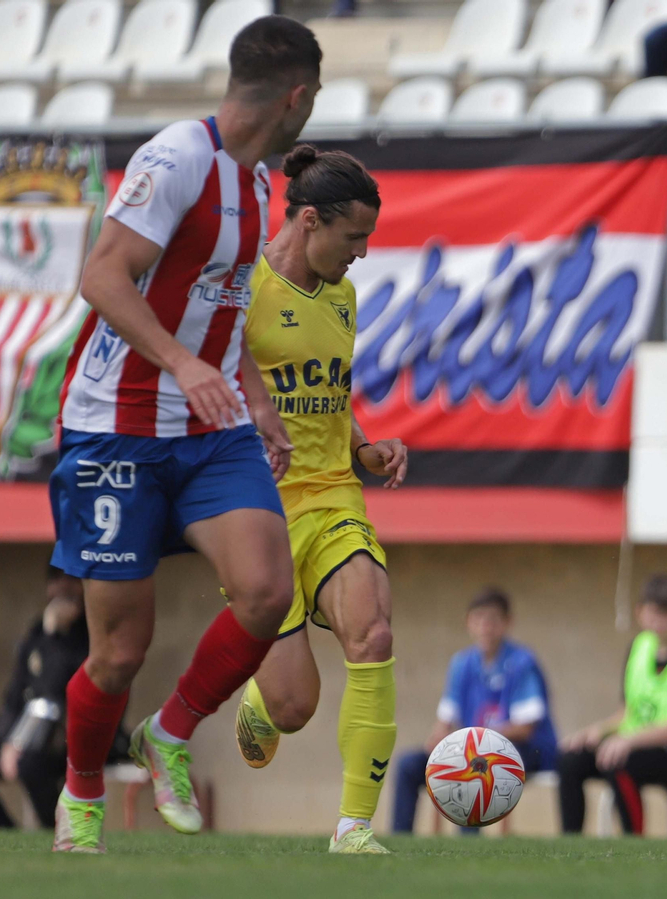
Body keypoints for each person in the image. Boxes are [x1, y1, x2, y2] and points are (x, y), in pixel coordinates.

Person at [46, 16, 321, 854]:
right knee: (118, 652)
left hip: (211, 429)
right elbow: (101, 275)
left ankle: (166, 734)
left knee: (268, 589)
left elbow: (218, 312)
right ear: (297, 97)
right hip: (116, 433)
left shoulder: (259, 181)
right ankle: (82, 793)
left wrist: (251, 394)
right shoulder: (178, 158)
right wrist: (179, 364)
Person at [228, 144, 408, 854]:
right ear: (308, 220)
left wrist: (364, 446)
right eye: (353, 237)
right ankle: (261, 699)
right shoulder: (242, 292)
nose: (361, 254)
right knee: (295, 706)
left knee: (374, 633)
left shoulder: (342, 294)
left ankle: (354, 828)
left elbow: (329, 395)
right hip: (255, 508)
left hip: (334, 495)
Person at [558, 575, 667, 836]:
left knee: (620, 760)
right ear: (640, 613)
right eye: (654, 613)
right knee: (570, 760)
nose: (660, 621)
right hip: (644, 746)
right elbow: (626, 714)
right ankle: (569, 844)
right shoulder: (639, 647)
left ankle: (633, 844)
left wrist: (630, 741)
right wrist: (598, 731)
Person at [391, 588, 559, 835]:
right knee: (409, 765)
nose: (485, 626)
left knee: (474, 765)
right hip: (473, 748)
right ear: (468, 622)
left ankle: (467, 844)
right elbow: (445, 720)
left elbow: (525, 727)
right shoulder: (462, 664)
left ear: (507, 623)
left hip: (523, 750)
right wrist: (438, 743)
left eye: (492, 619)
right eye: (478, 619)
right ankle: (400, 840)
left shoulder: (522, 662)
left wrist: (481, 738)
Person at [0, 567, 115, 830]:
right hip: (29, 735)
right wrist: (6, 740)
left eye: (72, 579)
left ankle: (60, 831)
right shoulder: (38, 631)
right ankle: (5, 834)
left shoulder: (91, 635)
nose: (63, 586)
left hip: (74, 735)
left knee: (30, 764)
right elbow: (17, 693)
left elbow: (54, 691)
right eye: (56, 578)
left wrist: (56, 636)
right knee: (22, 755)